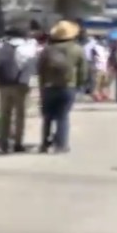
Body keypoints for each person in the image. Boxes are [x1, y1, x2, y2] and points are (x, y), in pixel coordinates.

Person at [38, 20, 87, 153]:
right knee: (63, 117)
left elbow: (40, 69)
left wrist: (41, 86)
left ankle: (44, 143)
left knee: (47, 117)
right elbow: (83, 70)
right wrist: (81, 85)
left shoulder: (47, 49)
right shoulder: (77, 49)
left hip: (49, 86)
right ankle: (61, 145)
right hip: (67, 86)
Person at [0, 25, 38, 153]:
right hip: (21, 85)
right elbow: (32, 66)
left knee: (3, 113)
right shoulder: (28, 48)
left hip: (3, 83)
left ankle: (3, 140)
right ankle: (18, 143)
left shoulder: (1, 46)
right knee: (20, 115)